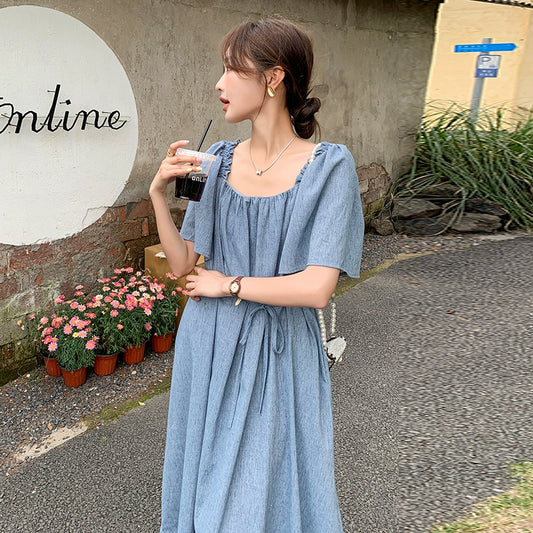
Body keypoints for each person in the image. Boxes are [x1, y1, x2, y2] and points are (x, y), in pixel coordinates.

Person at [150, 17, 364, 533]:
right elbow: (183, 264)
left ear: (273, 77)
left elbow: (317, 287)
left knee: (259, 489)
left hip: (279, 350)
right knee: (207, 478)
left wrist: (229, 284)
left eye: (232, 69)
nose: (218, 84)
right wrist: (158, 194)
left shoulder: (329, 167)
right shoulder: (218, 161)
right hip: (209, 343)